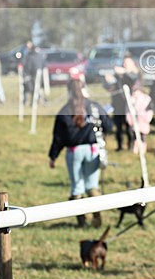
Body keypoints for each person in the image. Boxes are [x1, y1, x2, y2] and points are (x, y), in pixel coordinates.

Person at [48, 79, 113, 228]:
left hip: (74, 151)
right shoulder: (95, 106)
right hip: (93, 150)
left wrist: (53, 156)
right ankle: (96, 216)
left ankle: (82, 221)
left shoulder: (65, 111)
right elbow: (108, 126)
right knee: (92, 185)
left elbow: (58, 137)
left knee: (77, 187)